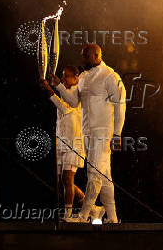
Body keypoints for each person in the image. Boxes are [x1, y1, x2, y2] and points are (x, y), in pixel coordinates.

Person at [50, 44, 126, 223]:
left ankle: (84, 215)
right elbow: (74, 101)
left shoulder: (110, 75)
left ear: (96, 55)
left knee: (94, 173)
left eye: (85, 56)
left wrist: (117, 134)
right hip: (87, 132)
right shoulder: (83, 76)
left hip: (103, 132)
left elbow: (120, 105)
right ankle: (113, 218)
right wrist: (58, 85)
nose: (82, 60)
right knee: (105, 176)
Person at [40, 65, 104, 220]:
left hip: (74, 144)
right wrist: (53, 86)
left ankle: (67, 214)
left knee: (68, 179)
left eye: (67, 76)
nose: (64, 79)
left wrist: (50, 89)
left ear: (76, 77)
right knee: (64, 180)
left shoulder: (78, 92)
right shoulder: (65, 91)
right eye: (62, 76)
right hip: (62, 142)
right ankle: (93, 208)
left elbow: (65, 107)